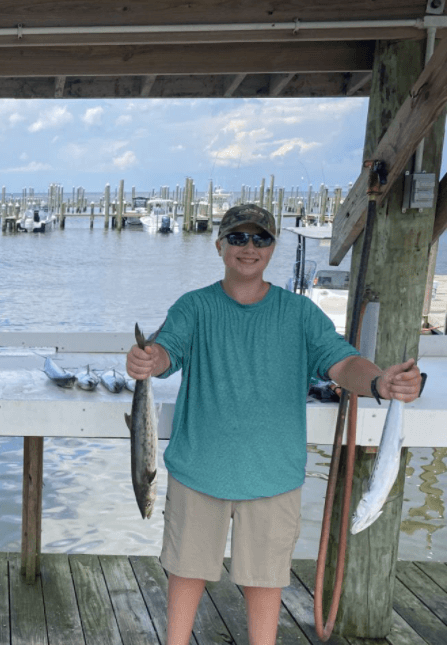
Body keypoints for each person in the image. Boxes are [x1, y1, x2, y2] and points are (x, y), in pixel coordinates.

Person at [125, 204, 422, 645]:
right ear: (220, 245)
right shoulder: (193, 307)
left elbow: (342, 365)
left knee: (265, 583)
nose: (249, 248)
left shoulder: (300, 314)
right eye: (239, 238)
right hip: (198, 469)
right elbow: (167, 353)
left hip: (273, 475)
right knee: (185, 574)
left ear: (273, 247)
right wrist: (148, 359)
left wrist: (380, 382)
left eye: (260, 239)